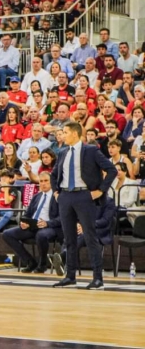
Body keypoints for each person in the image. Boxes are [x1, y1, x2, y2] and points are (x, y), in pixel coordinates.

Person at [51, 122, 117, 290]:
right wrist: (56, 192)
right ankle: (70, 276)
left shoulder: (91, 150)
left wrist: (100, 191)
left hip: (84, 195)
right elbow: (53, 175)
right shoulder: (62, 152)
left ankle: (97, 278)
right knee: (69, 238)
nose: (62, 135)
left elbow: (112, 170)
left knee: (89, 236)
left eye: (65, 132)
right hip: (65, 196)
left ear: (74, 133)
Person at [2, 172, 63, 273]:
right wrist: (24, 222)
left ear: (52, 182)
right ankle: (30, 262)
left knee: (41, 235)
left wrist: (47, 223)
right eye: (41, 181)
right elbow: (27, 214)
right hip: (33, 225)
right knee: (7, 234)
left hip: (50, 227)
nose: (43, 184)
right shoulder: (37, 196)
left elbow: (62, 217)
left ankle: (42, 264)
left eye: (46, 181)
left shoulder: (57, 197)